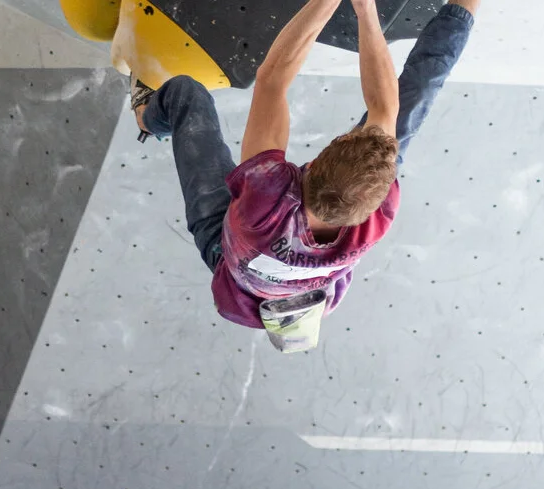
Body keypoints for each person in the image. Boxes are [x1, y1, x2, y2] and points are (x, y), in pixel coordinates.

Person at [131, 0, 479, 352]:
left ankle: (145, 116)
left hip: (230, 251)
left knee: (186, 95)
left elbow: (272, 80)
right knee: (419, 90)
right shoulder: (377, 214)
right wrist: (366, 13)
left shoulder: (266, 195)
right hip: (301, 278)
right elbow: (384, 108)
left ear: (308, 167)